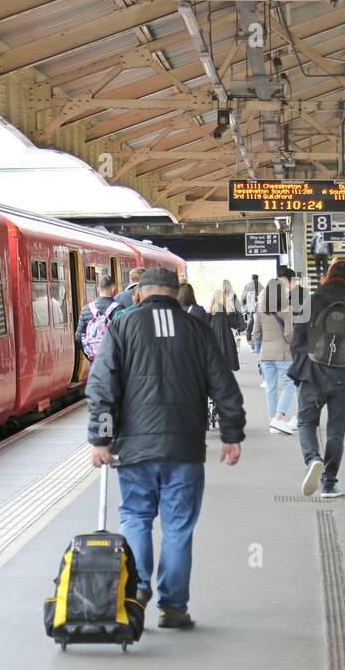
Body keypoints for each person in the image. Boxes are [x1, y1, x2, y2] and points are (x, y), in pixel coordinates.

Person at [85, 267, 245, 630]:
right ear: (177, 294)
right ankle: (173, 607)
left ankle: (139, 588)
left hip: (134, 449)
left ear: (139, 294)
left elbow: (102, 388)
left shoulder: (122, 327)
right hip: (184, 448)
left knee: (136, 516)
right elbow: (224, 386)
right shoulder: (197, 330)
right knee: (177, 527)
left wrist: (100, 439)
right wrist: (231, 435)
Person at [288, 258, 345, 498]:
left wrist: (304, 364)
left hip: (312, 375)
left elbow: (297, 340)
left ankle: (313, 459)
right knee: (336, 431)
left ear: (329, 275)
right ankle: (329, 483)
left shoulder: (312, 300)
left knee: (306, 423)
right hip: (343, 377)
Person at [251, 276, 297, 435]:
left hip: (265, 353)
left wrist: (267, 340)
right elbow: (289, 335)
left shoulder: (260, 310)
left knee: (271, 388)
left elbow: (256, 334)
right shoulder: (287, 310)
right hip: (282, 353)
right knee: (289, 384)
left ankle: (272, 422)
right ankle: (278, 418)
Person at [75, 275, 117, 351]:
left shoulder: (86, 309)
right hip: (114, 358)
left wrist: (89, 353)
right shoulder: (119, 309)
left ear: (98, 289)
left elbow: (78, 337)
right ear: (113, 288)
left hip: (95, 359)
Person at [207, 288, 242, 371]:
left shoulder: (210, 309)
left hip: (213, 334)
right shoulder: (227, 308)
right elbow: (234, 323)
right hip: (226, 334)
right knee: (227, 353)